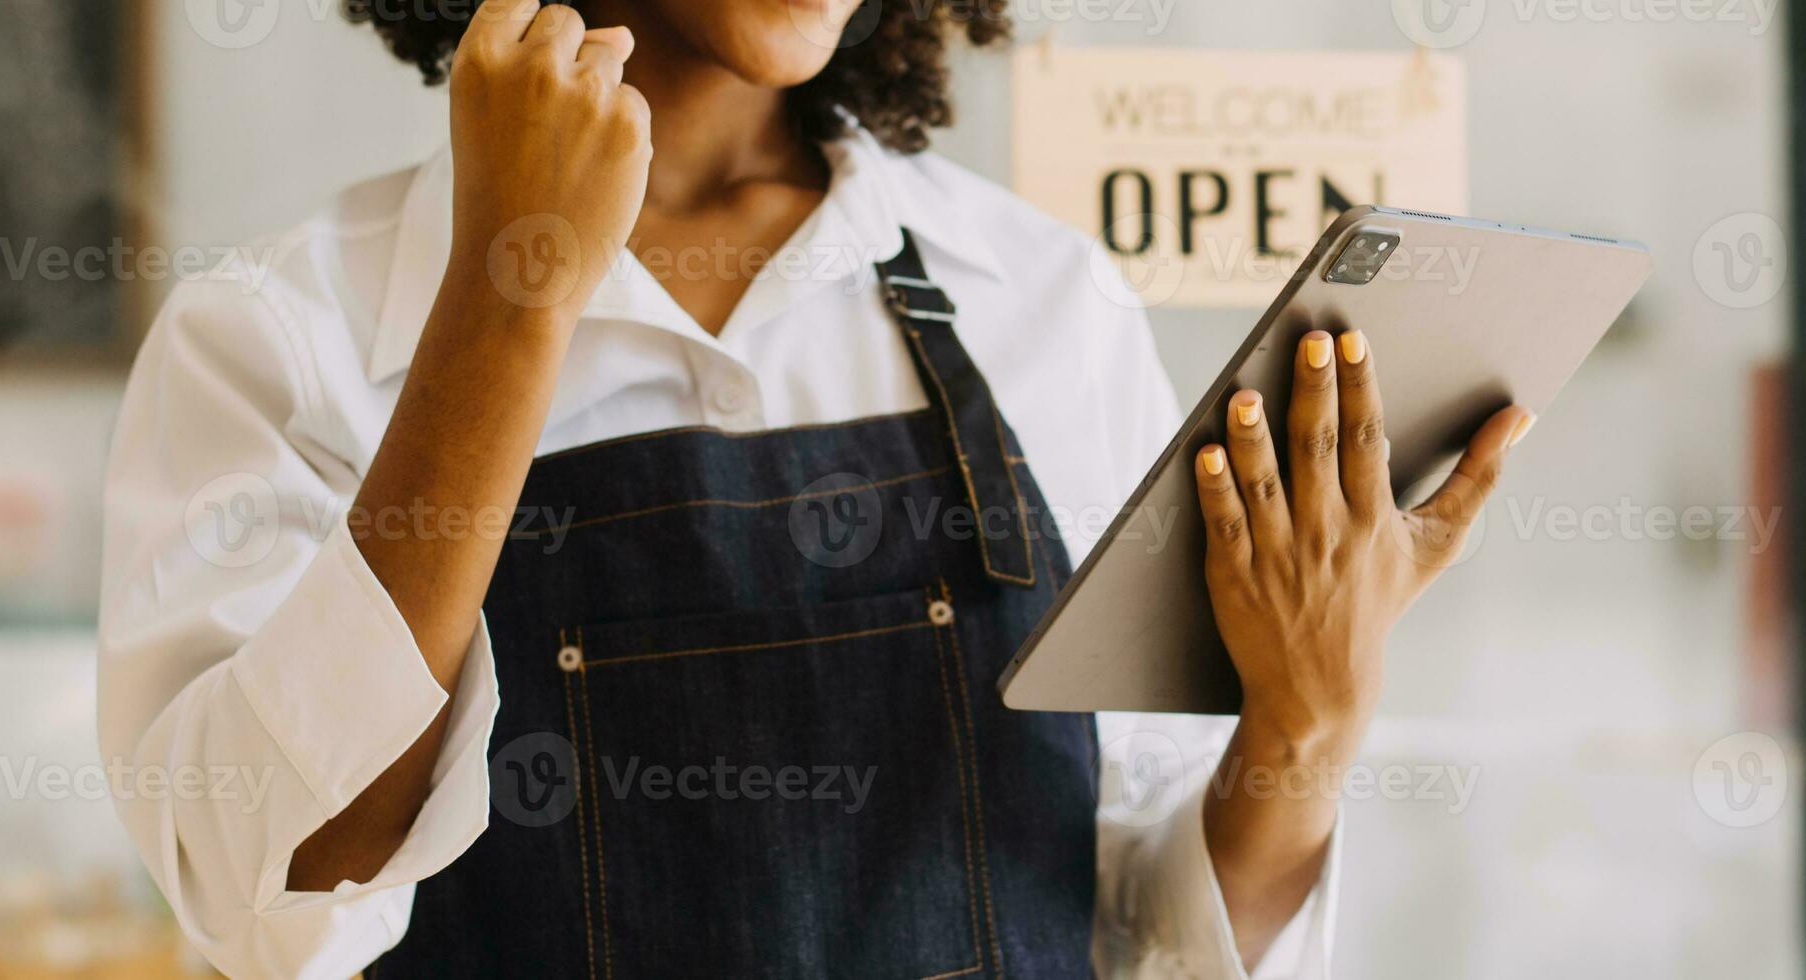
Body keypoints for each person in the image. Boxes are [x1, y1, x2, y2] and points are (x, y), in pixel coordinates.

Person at [97, 1, 1531, 976]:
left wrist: (1307, 716)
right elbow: (263, 897)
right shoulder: (280, 335)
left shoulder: (1036, 297)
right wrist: (506, 296)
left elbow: (1137, 931)